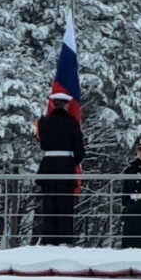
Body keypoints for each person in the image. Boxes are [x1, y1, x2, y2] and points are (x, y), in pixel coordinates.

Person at [35, 93, 85, 246]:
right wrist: (71, 162)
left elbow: (41, 143)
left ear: (53, 104)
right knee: (65, 206)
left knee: (49, 206)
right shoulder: (72, 123)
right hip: (65, 166)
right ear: (67, 105)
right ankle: (64, 239)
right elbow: (79, 150)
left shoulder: (43, 122)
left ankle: (49, 239)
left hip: (48, 166)